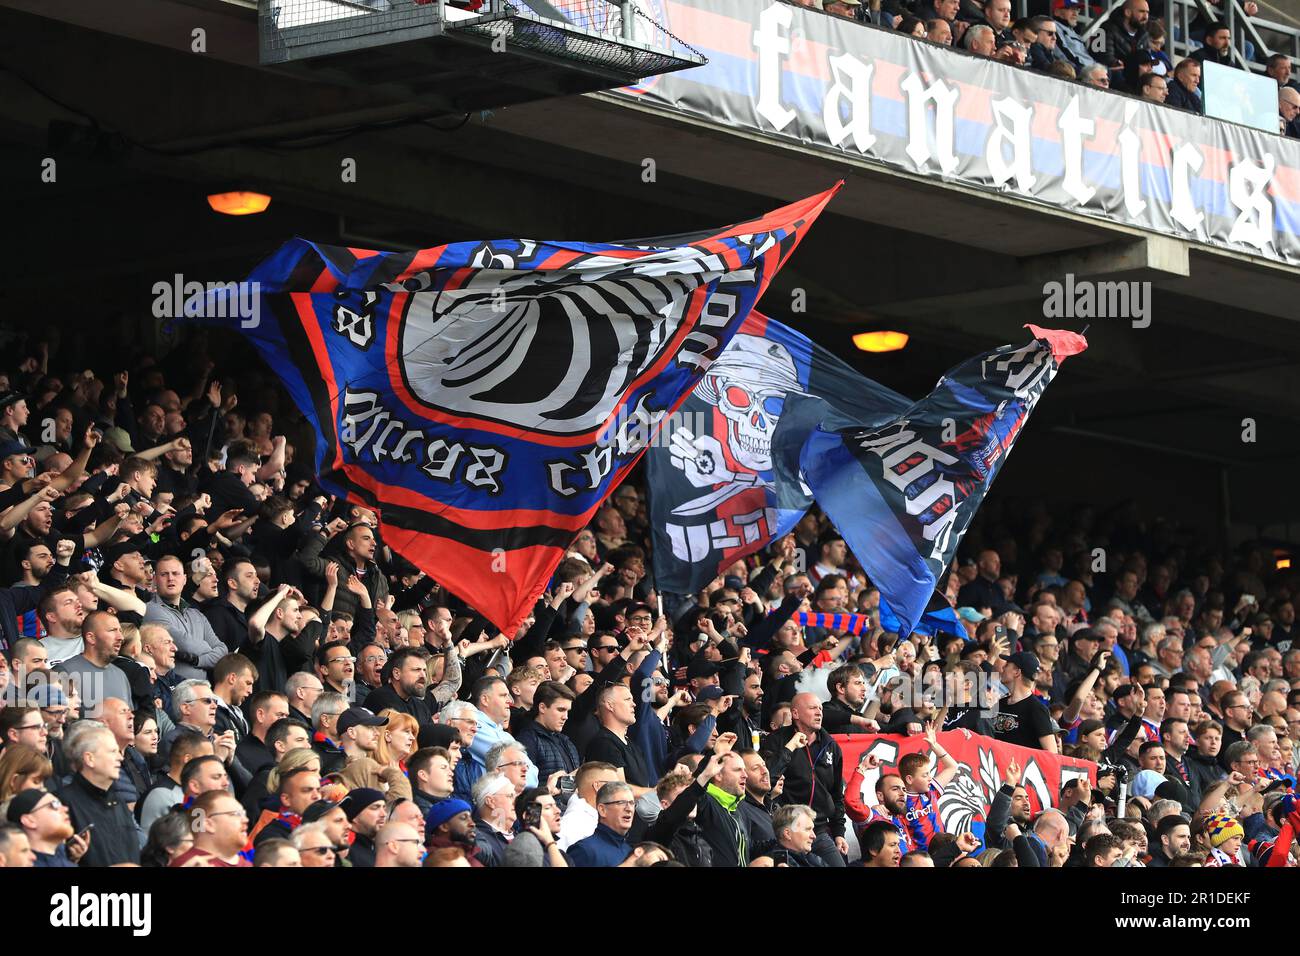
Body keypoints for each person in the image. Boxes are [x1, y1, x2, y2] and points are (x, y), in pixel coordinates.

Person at [760, 692, 847, 867]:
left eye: (821, 708)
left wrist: (839, 832)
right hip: (785, 830)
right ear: (795, 714)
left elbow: (837, 794)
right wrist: (789, 748)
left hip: (819, 830)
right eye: (813, 708)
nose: (819, 712)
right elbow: (767, 778)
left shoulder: (831, 746)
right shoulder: (776, 741)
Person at [59, 723, 140, 866]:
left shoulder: (118, 801)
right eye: (112, 751)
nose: (120, 758)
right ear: (90, 759)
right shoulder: (63, 804)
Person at [172, 791, 251, 867]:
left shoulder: (247, 864)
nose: (246, 820)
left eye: (243, 814)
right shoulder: (189, 864)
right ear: (208, 824)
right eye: (236, 814)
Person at [568, 780, 635, 866]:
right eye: (621, 802)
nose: (629, 809)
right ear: (602, 810)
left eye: (632, 803)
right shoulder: (585, 850)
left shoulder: (629, 852)